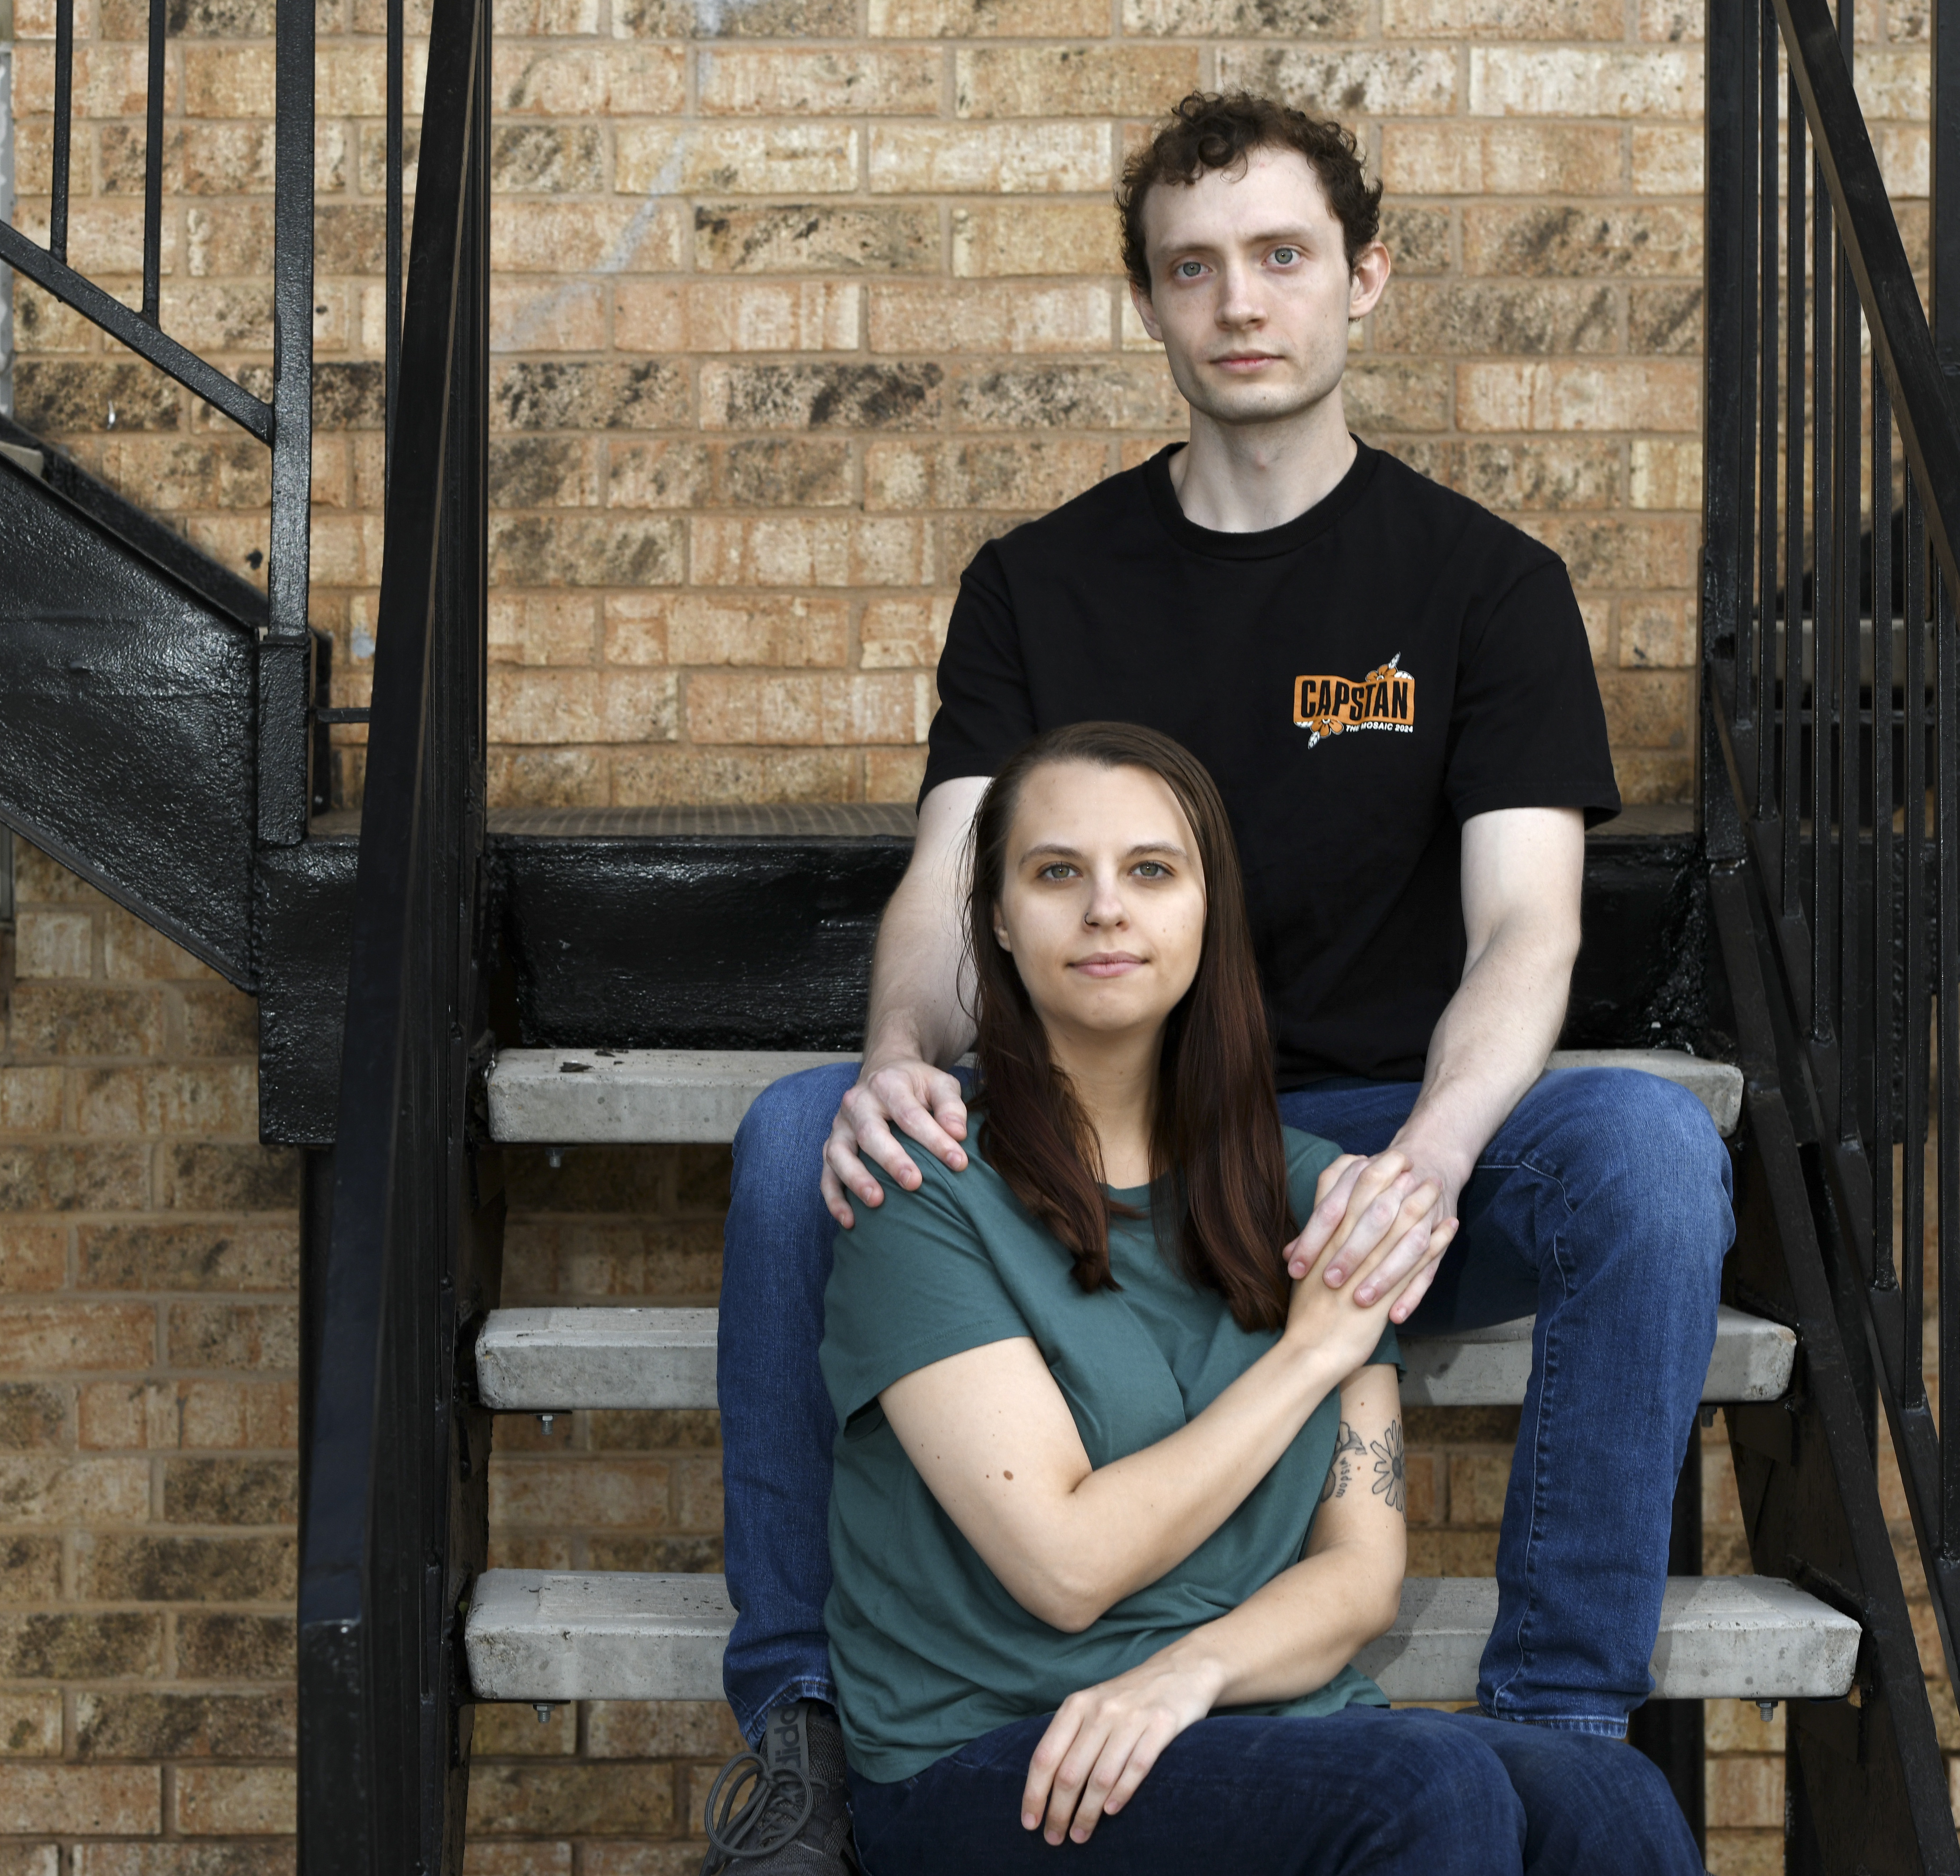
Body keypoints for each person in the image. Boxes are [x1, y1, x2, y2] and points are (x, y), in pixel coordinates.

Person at [703, 91, 1732, 1875]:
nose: (1239, 302)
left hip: (1352, 1143)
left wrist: (1426, 1161)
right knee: (809, 1131)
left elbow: (1526, 934)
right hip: (1093, 1129)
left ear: (1362, 282)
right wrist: (888, 1051)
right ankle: (798, 1717)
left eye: (1279, 258)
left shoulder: (1482, 585)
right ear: (1151, 305)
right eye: (1193, 270)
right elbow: (955, 878)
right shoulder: (1039, 581)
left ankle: (1560, 1707)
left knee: (1643, 1156)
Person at [814, 723, 1703, 1875]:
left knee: (1606, 1794)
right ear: (993, 918)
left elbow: (1358, 1574)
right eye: (1054, 873)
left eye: (1150, 871)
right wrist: (1308, 1360)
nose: (1104, 910)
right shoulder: (923, 1189)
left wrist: (1192, 1675)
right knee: (1420, 1788)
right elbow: (1067, 1566)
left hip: (1230, 1714)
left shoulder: (1316, 1195)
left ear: (1206, 912)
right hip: (994, 1754)